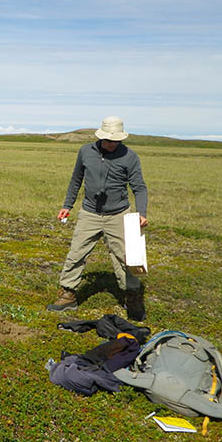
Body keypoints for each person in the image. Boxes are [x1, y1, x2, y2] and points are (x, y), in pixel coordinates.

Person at [47, 116, 148, 321]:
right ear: (101, 137)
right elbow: (76, 179)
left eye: (116, 141)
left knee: (126, 258)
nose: (112, 144)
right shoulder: (86, 152)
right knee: (76, 252)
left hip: (119, 214)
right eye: (109, 140)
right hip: (89, 213)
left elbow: (139, 187)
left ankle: (132, 296)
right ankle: (68, 295)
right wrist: (67, 205)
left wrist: (142, 213)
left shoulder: (130, 156)